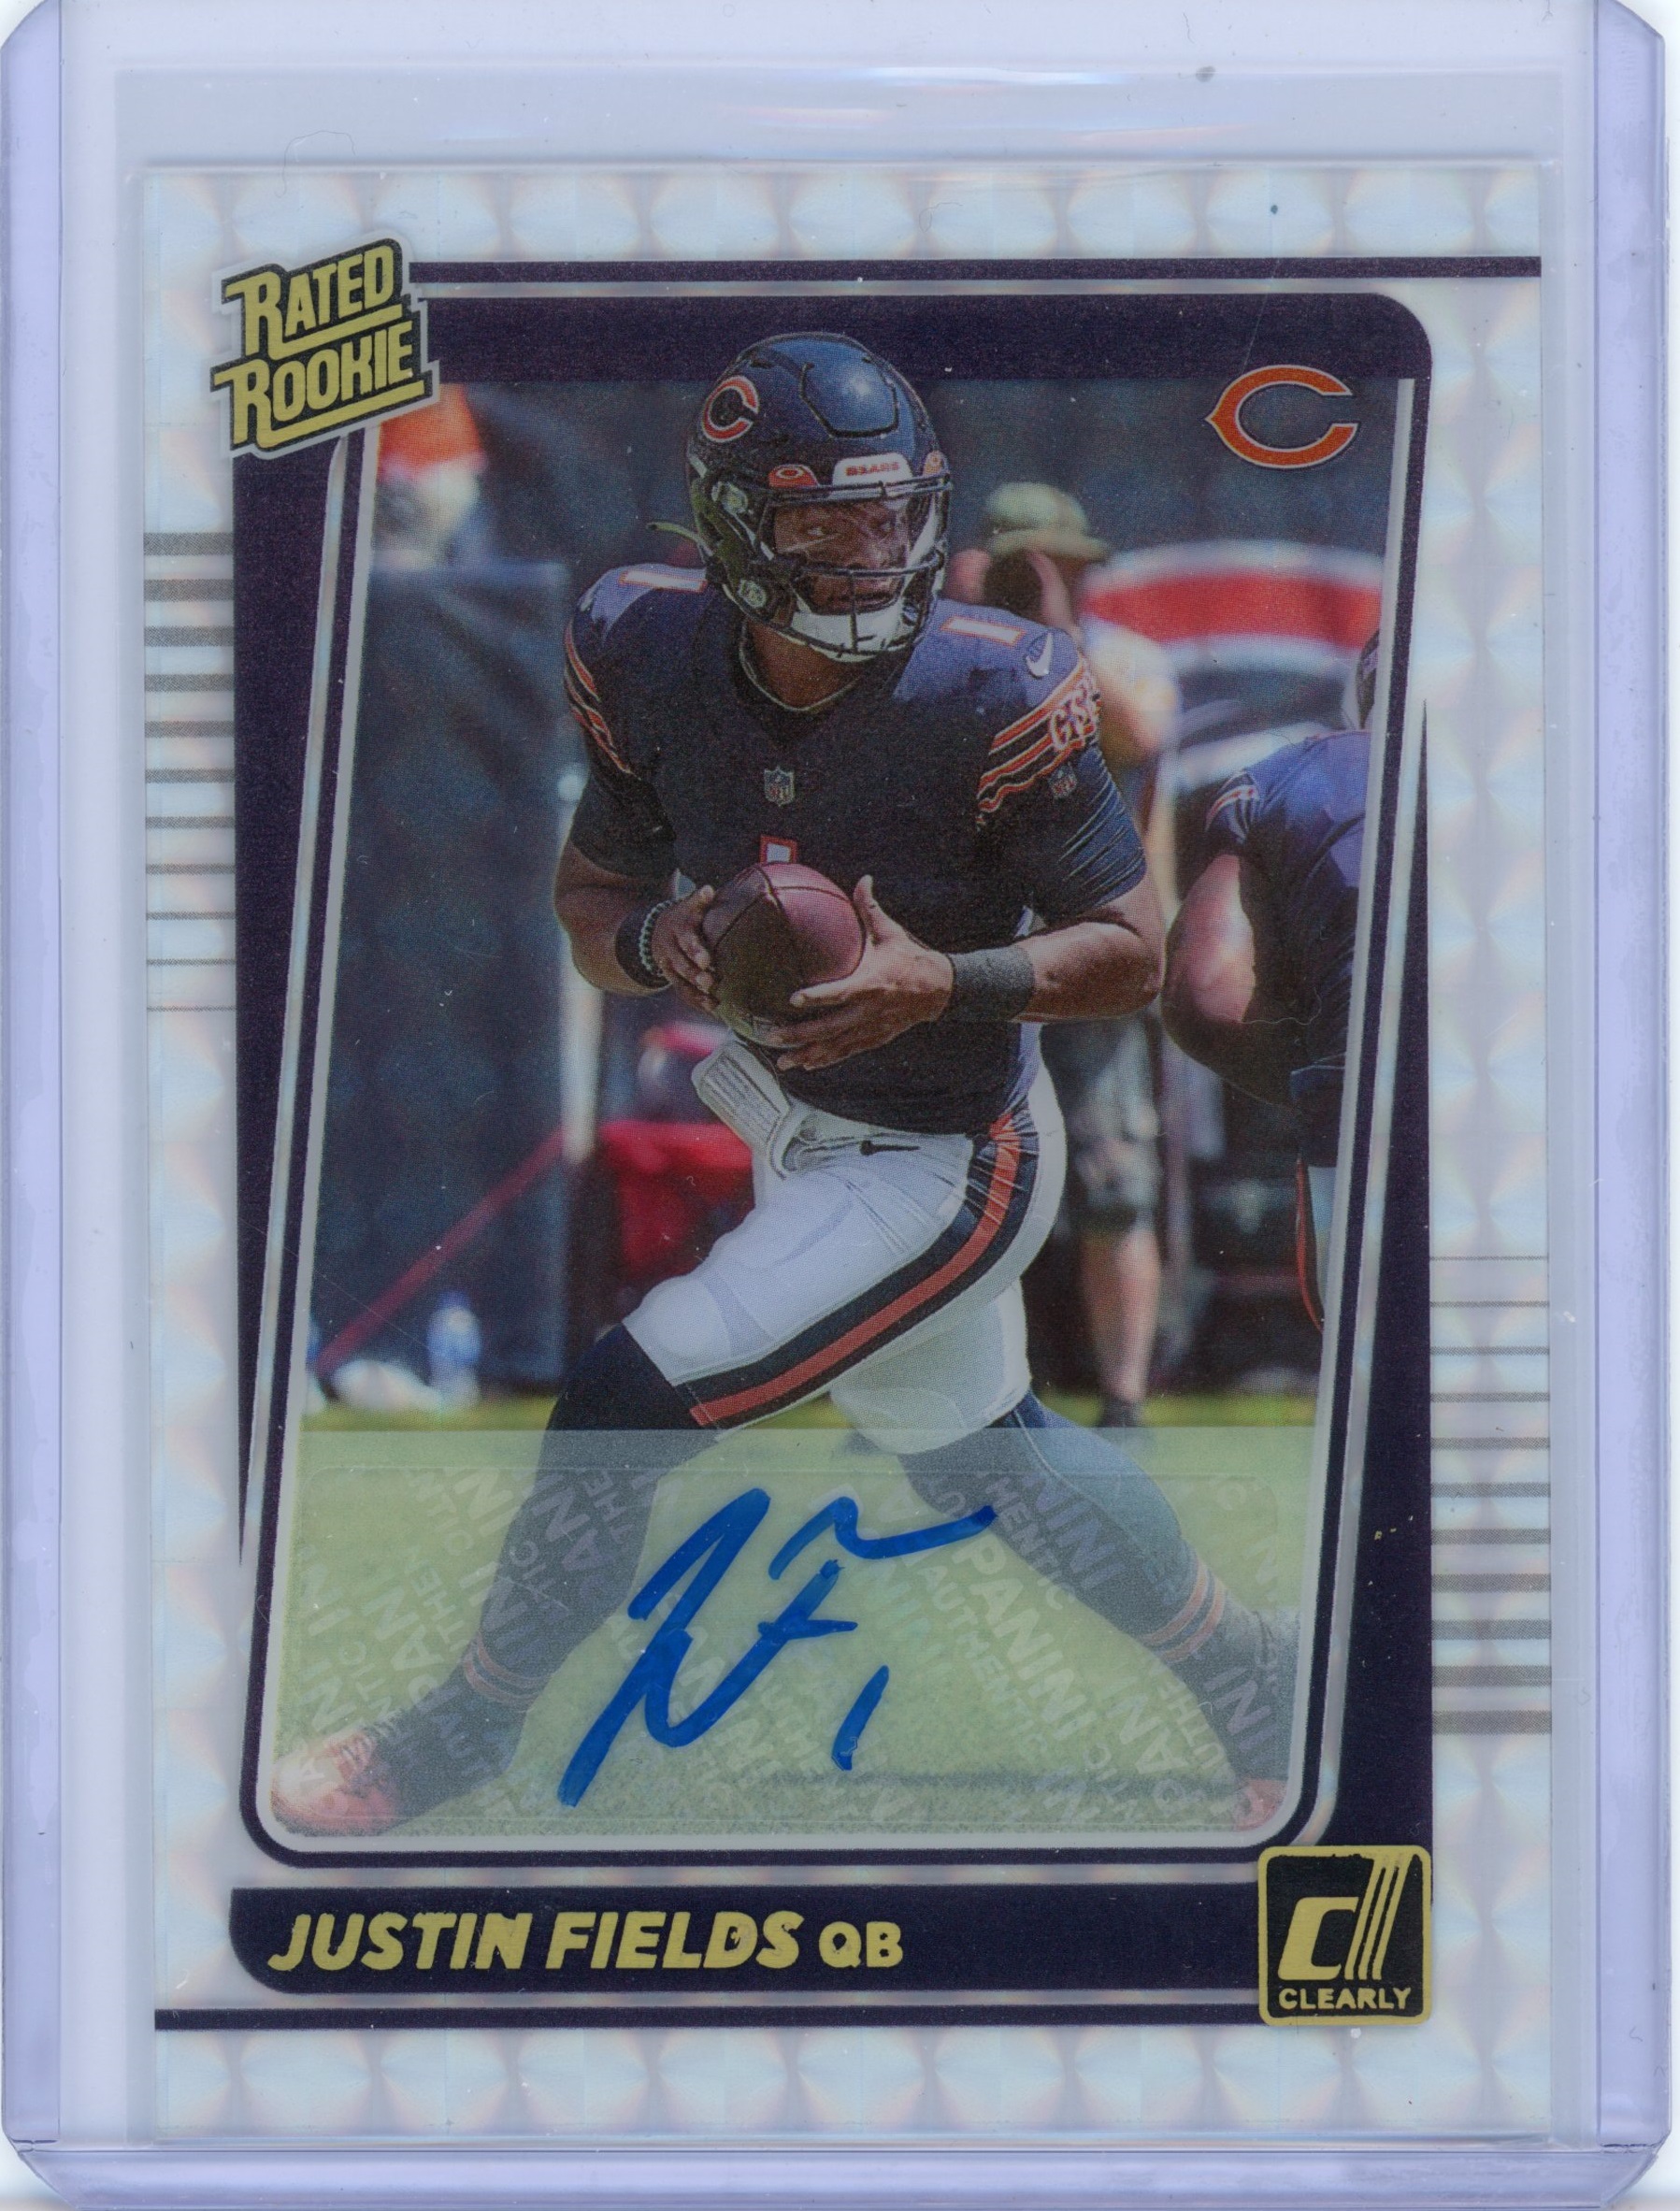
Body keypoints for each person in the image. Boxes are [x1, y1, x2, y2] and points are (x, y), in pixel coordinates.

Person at [272, 333, 1295, 1837]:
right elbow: (591, 907)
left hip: (953, 1155)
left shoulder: (989, 684)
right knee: (985, 1456)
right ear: (740, 524)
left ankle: (453, 1736)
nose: (877, 552)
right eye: (832, 521)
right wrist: (659, 937)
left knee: (623, 1396)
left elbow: (1133, 950)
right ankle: (1256, 1675)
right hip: (803, 1136)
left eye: (896, 515)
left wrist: (943, 977)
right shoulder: (643, 645)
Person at [952, 483, 1179, 1425]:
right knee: (959, 1186)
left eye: (1056, 566)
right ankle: (949, 1399)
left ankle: (1122, 1399)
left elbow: (1141, 733)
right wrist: (966, 615)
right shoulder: (952, 656)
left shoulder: (1120, 658)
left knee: (1113, 1180)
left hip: (1094, 954)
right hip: (982, 953)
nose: (1045, 579)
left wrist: (1052, 633)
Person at [1162, 633, 1377, 1314]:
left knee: (1378, 1353)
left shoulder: (1289, 776)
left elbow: (1207, 999)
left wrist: (1339, 1082)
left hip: (1370, 1123)